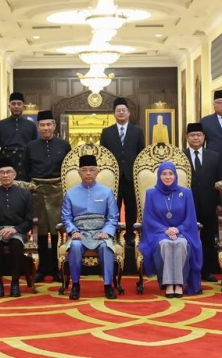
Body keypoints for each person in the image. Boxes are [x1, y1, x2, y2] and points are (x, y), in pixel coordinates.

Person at [138, 161, 202, 297]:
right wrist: (165, 230)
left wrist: (177, 229)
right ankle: (168, 283)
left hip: (182, 232)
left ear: (175, 175)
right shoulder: (151, 194)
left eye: (170, 174)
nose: (168, 177)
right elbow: (149, 219)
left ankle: (178, 283)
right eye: (164, 174)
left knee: (181, 243)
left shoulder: (186, 193)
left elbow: (190, 217)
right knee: (166, 244)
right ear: (159, 176)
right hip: (159, 233)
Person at [22, 109, 71, 283]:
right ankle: (43, 268)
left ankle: (58, 268)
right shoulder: (30, 146)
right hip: (37, 190)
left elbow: (69, 169)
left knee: (57, 230)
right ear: (38, 127)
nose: (46, 128)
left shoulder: (63, 145)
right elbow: (25, 170)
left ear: (54, 126)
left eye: (49, 124)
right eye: (42, 125)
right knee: (40, 230)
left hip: (58, 190)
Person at [62, 154, 120, 300]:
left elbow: (113, 216)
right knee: (74, 246)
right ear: (79, 172)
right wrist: (73, 231)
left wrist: (107, 232)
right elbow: (66, 217)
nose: (88, 173)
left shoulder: (106, 192)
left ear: (97, 171)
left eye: (92, 170)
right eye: (85, 170)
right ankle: (75, 285)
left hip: (101, 232)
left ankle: (108, 285)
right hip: (79, 233)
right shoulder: (70, 193)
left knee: (106, 247)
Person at [0, 159, 35, 297]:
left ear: (15, 174)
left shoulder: (25, 194)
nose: (5, 175)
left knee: (16, 244)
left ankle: (15, 283)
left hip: (17, 230)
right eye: (2, 173)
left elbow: (29, 220)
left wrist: (15, 229)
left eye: (8, 172)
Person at [99, 97, 144, 245]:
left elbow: (141, 154)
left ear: (129, 113)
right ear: (114, 113)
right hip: (113, 177)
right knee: (113, 206)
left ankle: (130, 234)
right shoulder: (107, 132)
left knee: (131, 206)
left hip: (131, 176)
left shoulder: (137, 132)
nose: (121, 113)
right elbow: (103, 155)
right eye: (118, 110)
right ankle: (114, 232)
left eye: (124, 110)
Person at [184, 122, 221, 282]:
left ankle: (207, 271)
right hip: (186, 206)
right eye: (192, 135)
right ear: (187, 138)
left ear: (204, 137)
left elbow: (220, 183)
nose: (196, 138)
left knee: (207, 239)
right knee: (187, 238)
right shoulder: (181, 156)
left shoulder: (214, 156)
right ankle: (187, 270)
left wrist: (220, 203)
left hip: (209, 204)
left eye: (199, 135)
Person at [0, 92, 38, 175]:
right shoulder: (0, 124)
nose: (16, 106)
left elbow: (35, 148)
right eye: (13, 104)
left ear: (23, 107)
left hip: (25, 162)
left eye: (19, 104)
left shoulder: (31, 125)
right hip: (6, 161)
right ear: (9, 106)